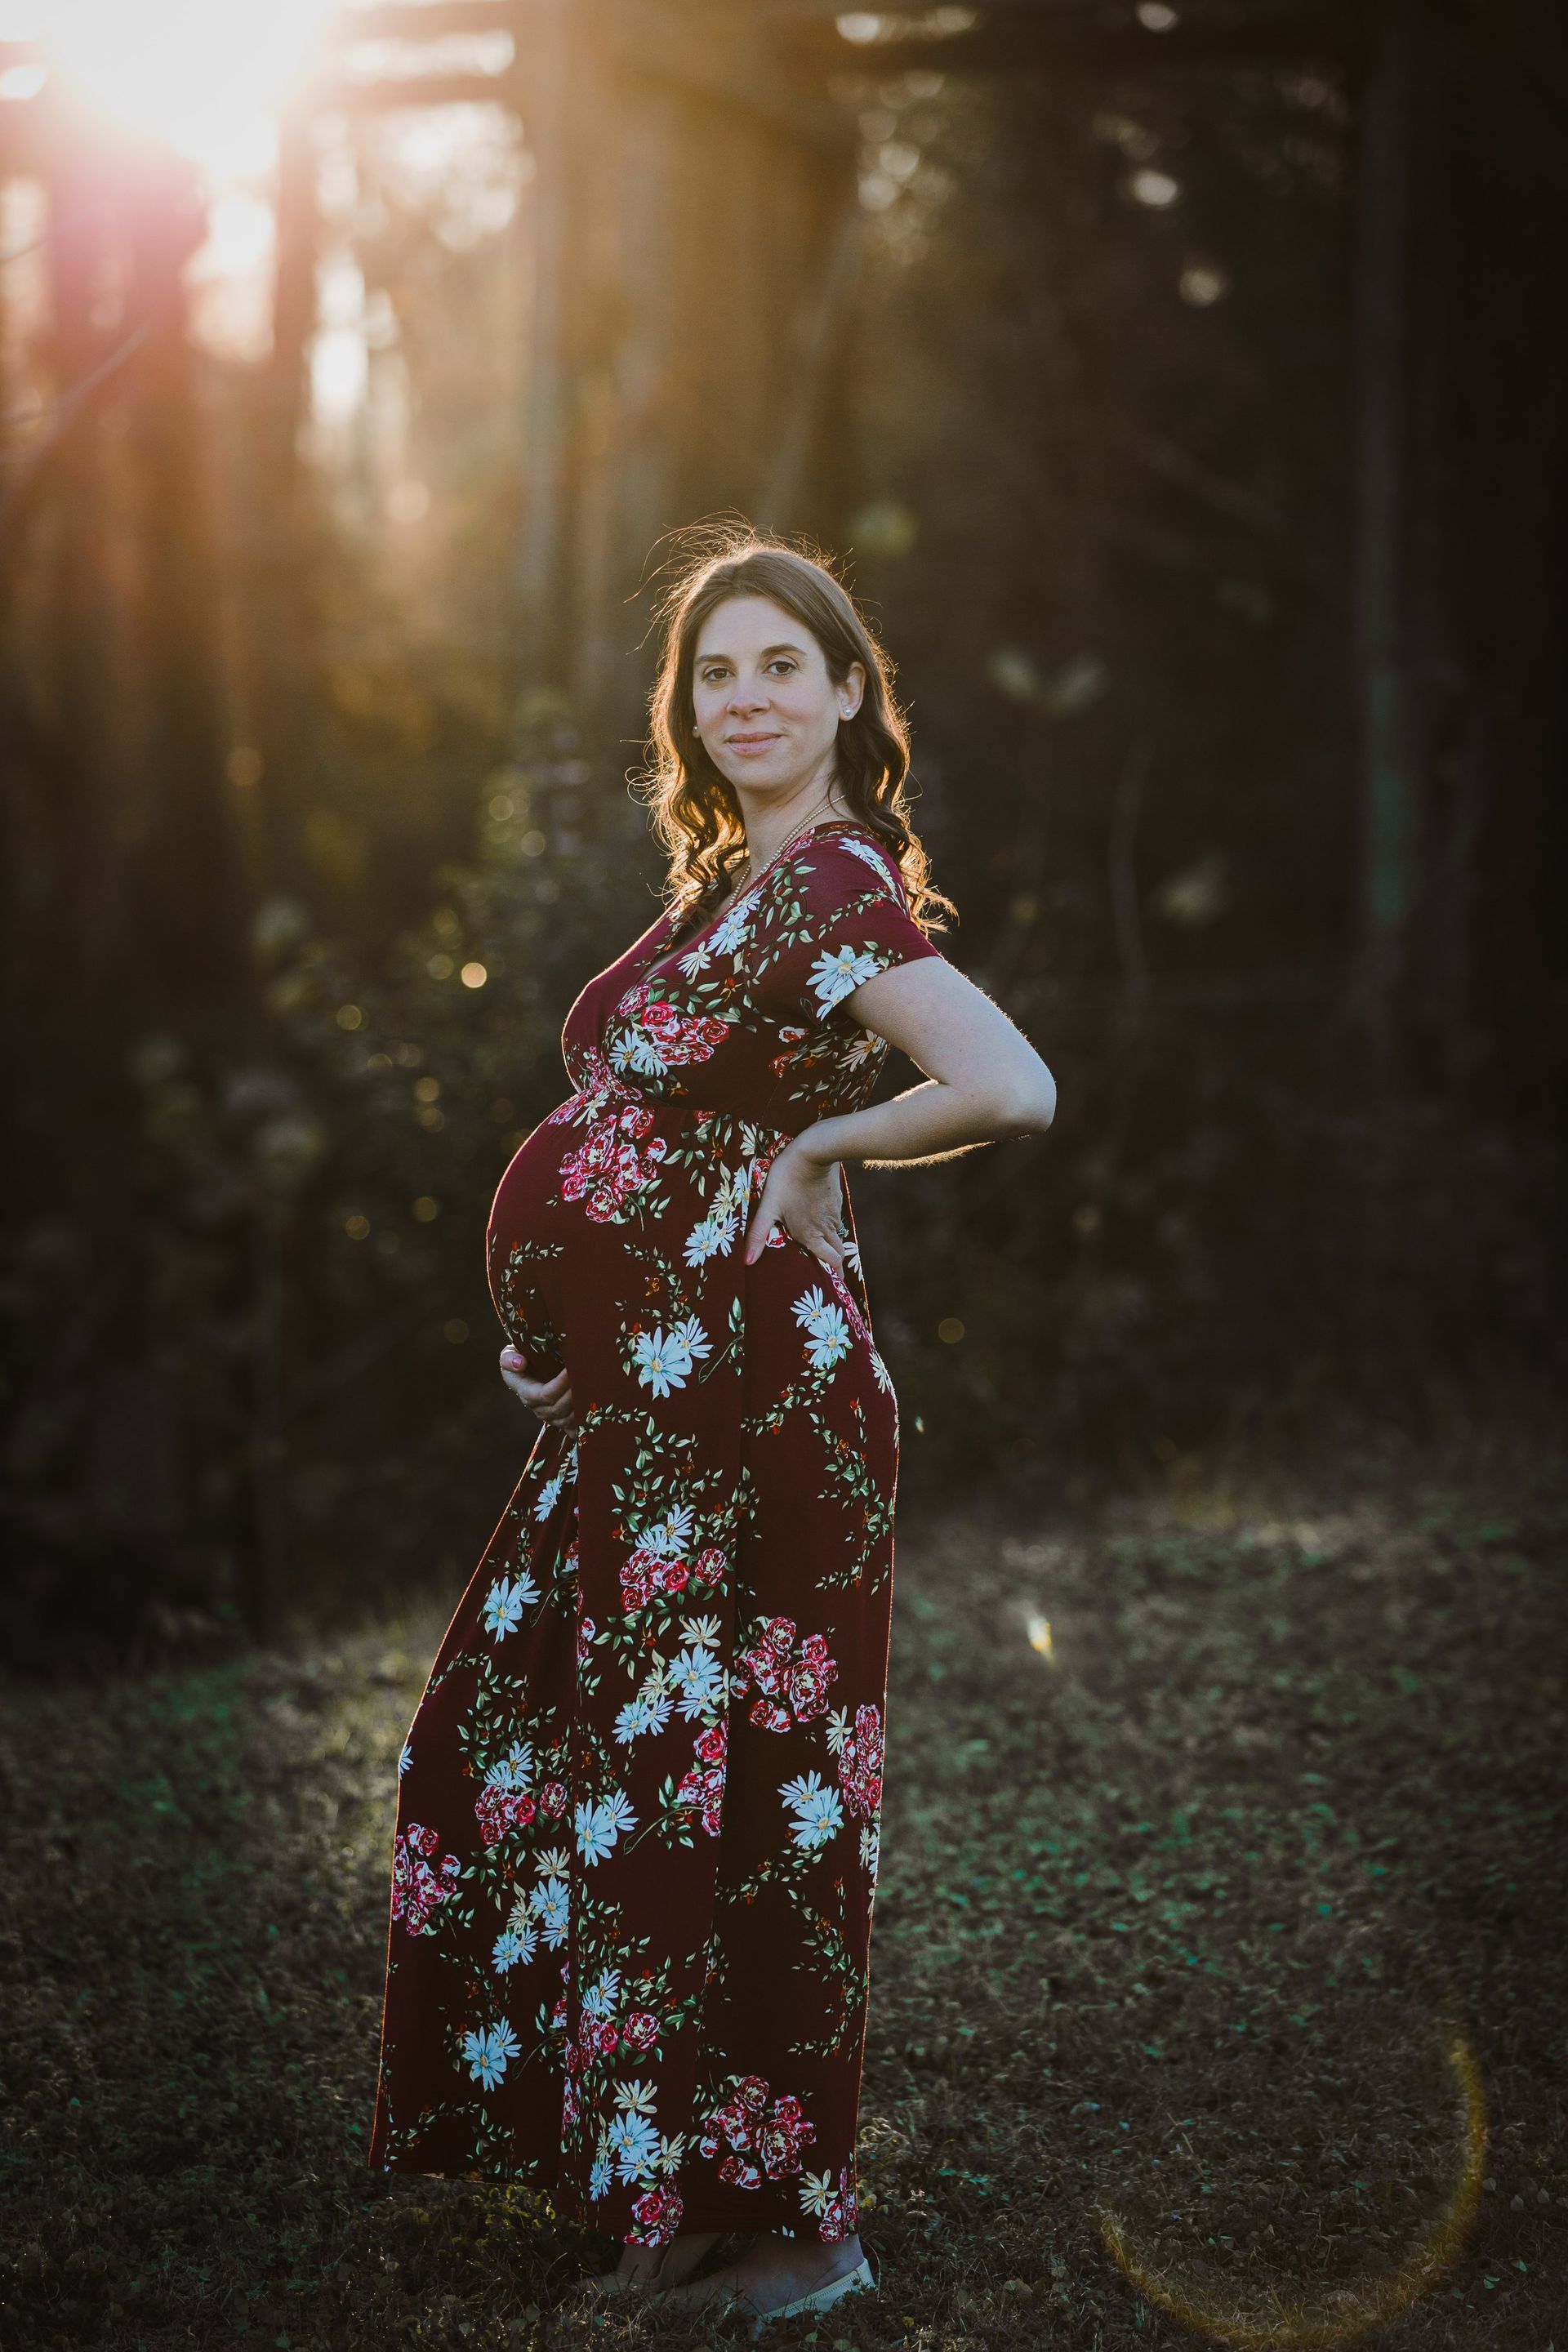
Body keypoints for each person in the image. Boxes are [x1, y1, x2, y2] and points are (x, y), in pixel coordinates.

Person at [368, 535, 1056, 2328]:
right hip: (662, 1403)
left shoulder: (831, 885)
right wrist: (564, 1334)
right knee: (560, 1758)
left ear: (845, 693)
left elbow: (1007, 1081)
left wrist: (827, 1153)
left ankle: (802, 2235)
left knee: (760, 1808)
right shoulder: (724, 895)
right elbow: (655, 1145)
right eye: (713, 675)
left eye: (779, 666)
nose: (742, 698)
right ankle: (666, 2190)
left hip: (764, 1414)